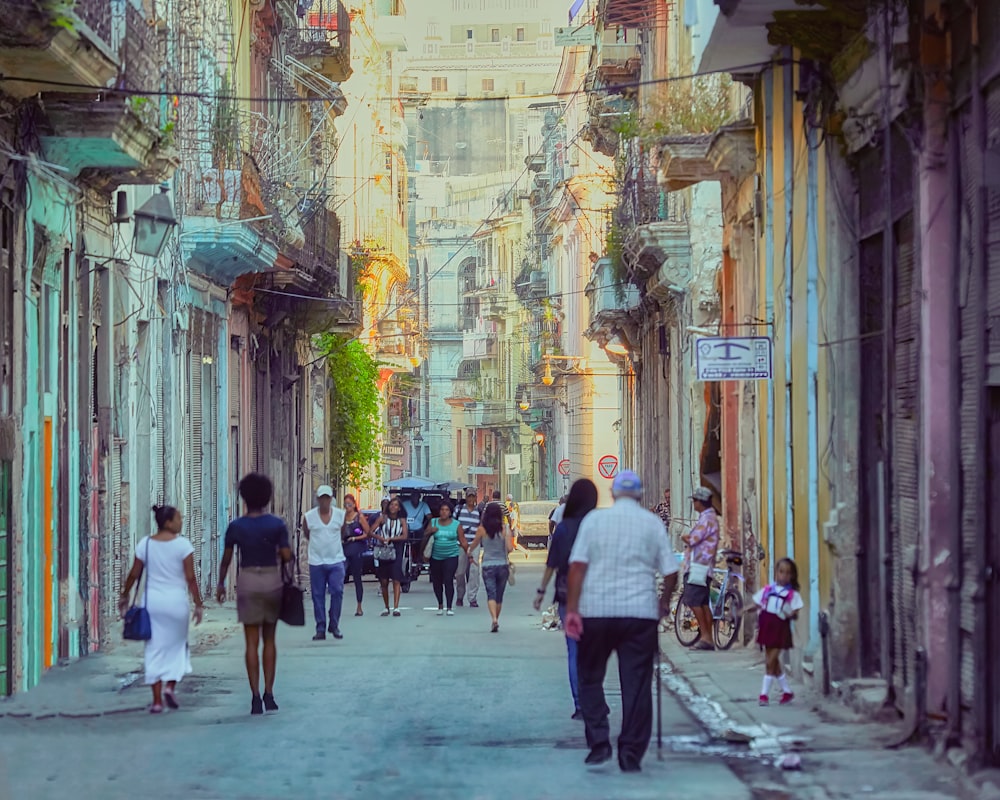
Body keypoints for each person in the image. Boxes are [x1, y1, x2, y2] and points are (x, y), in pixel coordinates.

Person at [564, 470, 679, 773]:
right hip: (639, 614)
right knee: (637, 684)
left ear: (613, 494)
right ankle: (630, 753)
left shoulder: (594, 521)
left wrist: (573, 610)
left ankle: (600, 741)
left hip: (596, 611)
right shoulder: (652, 523)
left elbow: (576, 567)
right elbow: (670, 571)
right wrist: (664, 601)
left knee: (589, 677)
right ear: (639, 495)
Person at [216, 473, 293, 716]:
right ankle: (270, 693)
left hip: (247, 578)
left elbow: (227, 560)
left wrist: (220, 584)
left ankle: (255, 697)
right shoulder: (277, 525)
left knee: (251, 642)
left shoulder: (236, 526)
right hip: (271, 579)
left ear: (244, 497)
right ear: (268, 497)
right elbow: (286, 556)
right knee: (270, 639)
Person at [119, 505, 204, 714]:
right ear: (168, 522)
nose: (181, 522)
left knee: (154, 648)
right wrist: (199, 603)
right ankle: (170, 687)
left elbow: (134, 574)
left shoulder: (145, 544)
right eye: (178, 519)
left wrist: (124, 595)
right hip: (176, 603)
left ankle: (157, 701)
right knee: (176, 647)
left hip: (153, 604)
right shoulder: (183, 546)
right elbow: (190, 578)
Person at [533, 478, 598, 720]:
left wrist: (541, 591)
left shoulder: (563, 528)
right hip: (595, 593)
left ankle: (580, 704)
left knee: (574, 649)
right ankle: (594, 699)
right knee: (593, 650)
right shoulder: (596, 525)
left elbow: (552, 563)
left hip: (566, 593)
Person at [753, 557, 803, 706]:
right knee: (772, 661)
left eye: (788, 573)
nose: (784, 576)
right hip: (767, 626)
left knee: (770, 661)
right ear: (776, 573)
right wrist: (744, 610)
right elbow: (756, 603)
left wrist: (790, 614)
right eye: (781, 572)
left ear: (792, 576)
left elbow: (796, 612)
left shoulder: (793, 595)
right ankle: (787, 691)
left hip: (780, 628)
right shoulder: (768, 590)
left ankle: (763, 695)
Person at [302, 485, 347, 641]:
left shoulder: (340, 515)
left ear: (331, 499)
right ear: (318, 499)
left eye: (328, 498)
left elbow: (342, 532)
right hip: (317, 561)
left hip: (336, 560)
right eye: (322, 498)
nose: (325, 501)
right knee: (317, 595)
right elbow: (307, 534)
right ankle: (320, 627)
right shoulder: (309, 517)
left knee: (337, 592)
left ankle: (334, 624)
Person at [681, 486, 720, 652]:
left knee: (693, 600)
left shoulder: (706, 519)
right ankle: (707, 638)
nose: (694, 503)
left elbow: (694, 539)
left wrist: (685, 537)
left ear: (701, 502)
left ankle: (705, 636)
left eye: (695, 501)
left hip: (698, 566)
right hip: (703, 565)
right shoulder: (708, 517)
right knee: (703, 602)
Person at [468, 502, 511, 632]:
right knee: (499, 595)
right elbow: (510, 548)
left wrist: (469, 553)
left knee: (491, 594)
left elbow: (474, 544)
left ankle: (494, 619)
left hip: (487, 565)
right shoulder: (505, 529)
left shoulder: (482, 529)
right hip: (502, 565)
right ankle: (496, 619)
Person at [427, 500, 469, 615]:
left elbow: (463, 540)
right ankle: (440, 605)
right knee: (437, 581)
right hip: (436, 556)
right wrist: (430, 531)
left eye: (446, 510)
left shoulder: (456, 524)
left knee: (448, 579)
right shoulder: (433, 522)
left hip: (451, 555)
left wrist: (468, 554)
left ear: (450, 512)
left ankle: (449, 607)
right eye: (442, 510)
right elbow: (425, 535)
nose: (444, 512)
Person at [372, 497, 408, 617]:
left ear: (399, 508)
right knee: (384, 580)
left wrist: (392, 538)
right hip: (384, 549)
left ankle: (396, 607)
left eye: (396, 505)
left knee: (396, 578)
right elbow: (370, 531)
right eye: (392, 505)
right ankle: (386, 606)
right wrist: (380, 538)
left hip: (396, 549)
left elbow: (404, 535)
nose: (393, 507)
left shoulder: (402, 520)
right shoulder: (382, 518)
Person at [341, 494, 371, 617]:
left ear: (354, 504)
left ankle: (359, 606)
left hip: (356, 549)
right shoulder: (342, 517)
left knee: (357, 578)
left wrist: (355, 538)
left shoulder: (359, 517)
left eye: (349, 504)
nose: (347, 507)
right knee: (339, 576)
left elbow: (367, 533)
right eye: (345, 505)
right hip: (344, 549)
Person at [456, 491, 482, 608]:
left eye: (473, 496)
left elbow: (481, 528)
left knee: (474, 571)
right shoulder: (459, 509)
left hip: (474, 545)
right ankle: (460, 596)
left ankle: (472, 598)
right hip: (460, 544)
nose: (471, 499)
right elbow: (454, 525)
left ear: (476, 498)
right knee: (459, 572)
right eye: (469, 496)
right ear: (466, 498)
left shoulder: (479, 511)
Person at [506, 493, 529, 558]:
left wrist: (511, 528)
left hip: (513, 530)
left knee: (514, 544)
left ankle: (526, 552)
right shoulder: (512, 513)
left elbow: (514, 521)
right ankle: (506, 556)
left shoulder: (513, 513)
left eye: (509, 507)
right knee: (510, 543)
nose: (508, 508)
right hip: (513, 529)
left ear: (511, 507)